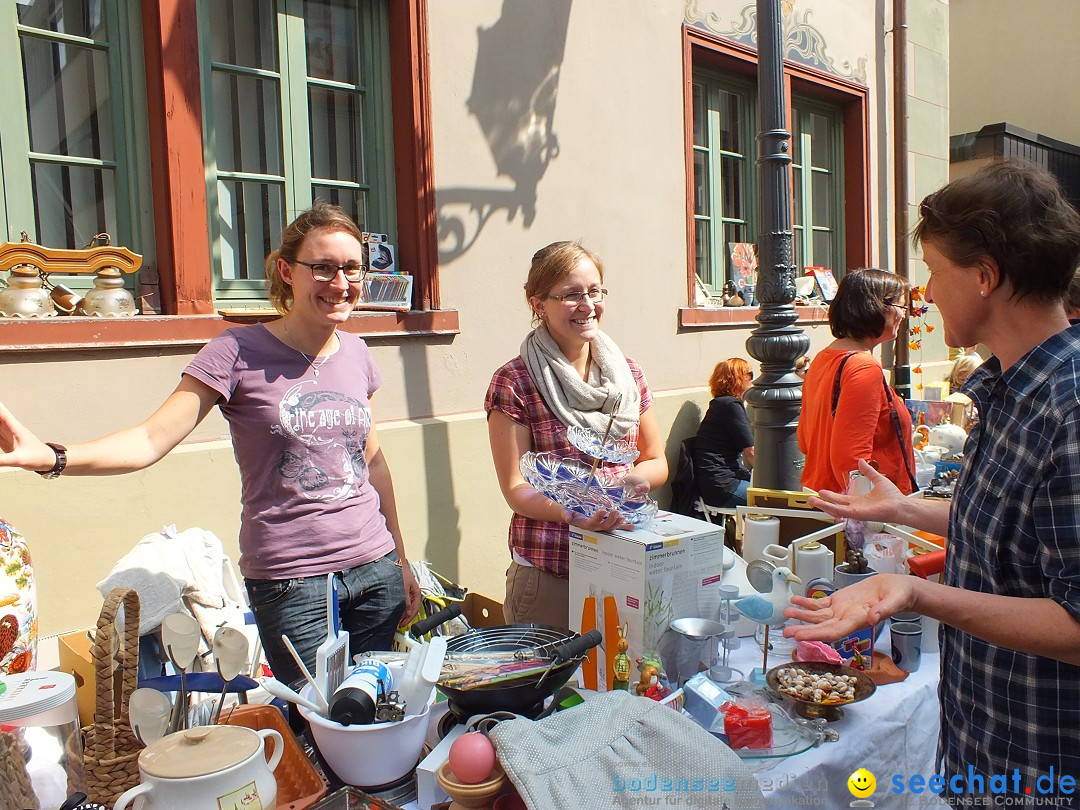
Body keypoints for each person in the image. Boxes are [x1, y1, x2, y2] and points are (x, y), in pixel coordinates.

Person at [0, 201, 421, 687]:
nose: (341, 283)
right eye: (323, 267)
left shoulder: (358, 353)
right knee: (319, 719)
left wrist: (400, 560)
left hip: (374, 570)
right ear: (287, 271)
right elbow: (149, 439)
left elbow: (373, 464)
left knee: (378, 708)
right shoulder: (236, 352)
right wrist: (53, 457)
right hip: (294, 582)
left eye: (351, 268)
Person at [784, 158, 1080, 791]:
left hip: (1043, 767)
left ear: (984, 276)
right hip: (986, 748)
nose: (924, 296)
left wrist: (917, 594)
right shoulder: (1009, 385)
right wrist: (903, 509)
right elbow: (1017, 525)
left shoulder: (1069, 405)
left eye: (933, 272)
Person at [485, 241, 668, 629]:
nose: (587, 305)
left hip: (622, 565)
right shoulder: (515, 380)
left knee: (620, 686)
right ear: (538, 304)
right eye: (571, 294)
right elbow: (516, 488)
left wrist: (631, 481)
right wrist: (573, 513)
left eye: (595, 291)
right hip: (551, 574)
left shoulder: (628, 376)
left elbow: (655, 459)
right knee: (545, 687)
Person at [797, 268, 917, 495]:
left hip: (826, 501)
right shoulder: (864, 366)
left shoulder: (823, 359)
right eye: (901, 307)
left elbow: (805, 442)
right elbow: (852, 460)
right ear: (878, 307)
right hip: (861, 514)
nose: (904, 315)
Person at [693, 358, 754, 508]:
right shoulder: (731, 406)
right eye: (750, 374)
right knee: (775, 501)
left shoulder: (721, 404)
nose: (753, 379)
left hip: (718, 483)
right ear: (738, 378)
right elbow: (751, 452)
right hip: (724, 486)